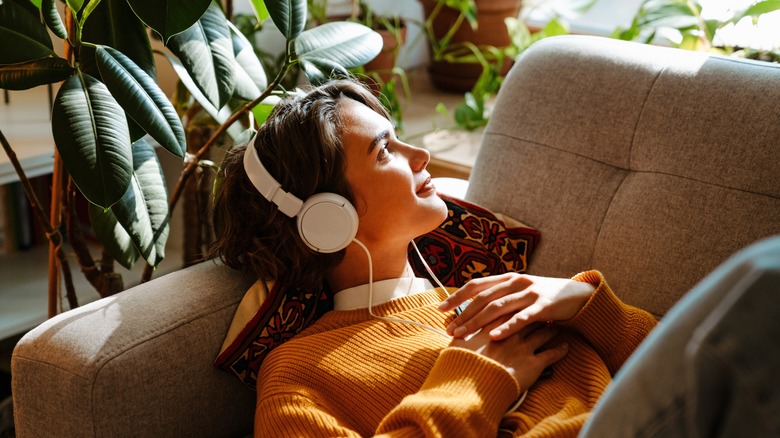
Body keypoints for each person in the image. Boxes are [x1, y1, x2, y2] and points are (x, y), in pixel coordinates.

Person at [209, 79, 658, 437]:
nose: (421, 155)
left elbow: (678, 363)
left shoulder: (494, 296)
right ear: (328, 218)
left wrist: (582, 301)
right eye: (385, 150)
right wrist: (475, 382)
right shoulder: (298, 374)